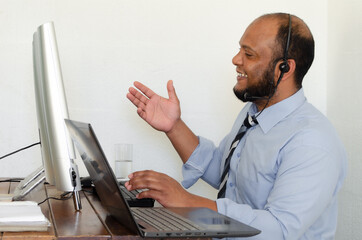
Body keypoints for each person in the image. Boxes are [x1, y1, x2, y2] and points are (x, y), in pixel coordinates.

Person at [125, 13, 347, 239]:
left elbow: (279, 229)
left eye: (248, 54)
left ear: (284, 68)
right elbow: (223, 171)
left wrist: (188, 202)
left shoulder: (312, 141)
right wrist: (174, 126)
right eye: (240, 50)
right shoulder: (253, 112)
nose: (236, 59)